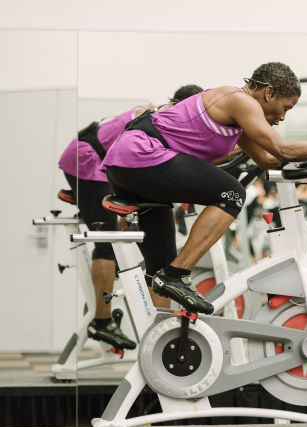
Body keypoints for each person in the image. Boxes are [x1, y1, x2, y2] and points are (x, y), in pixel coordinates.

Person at [102, 62, 307, 314]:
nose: (282, 118)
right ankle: (177, 274)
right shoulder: (239, 100)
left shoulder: (240, 119)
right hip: (140, 156)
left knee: (158, 272)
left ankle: (160, 337)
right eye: (286, 107)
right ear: (268, 93)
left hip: (129, 165)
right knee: (230, 193)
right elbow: (283, 148)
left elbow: (271, 160)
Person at [57, 83, 201, 349]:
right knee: (105, 244)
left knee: (125, 235)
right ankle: (101, 322)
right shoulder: (156, 116)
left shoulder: (170, 119)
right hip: (86, 160)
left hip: (104, 164)